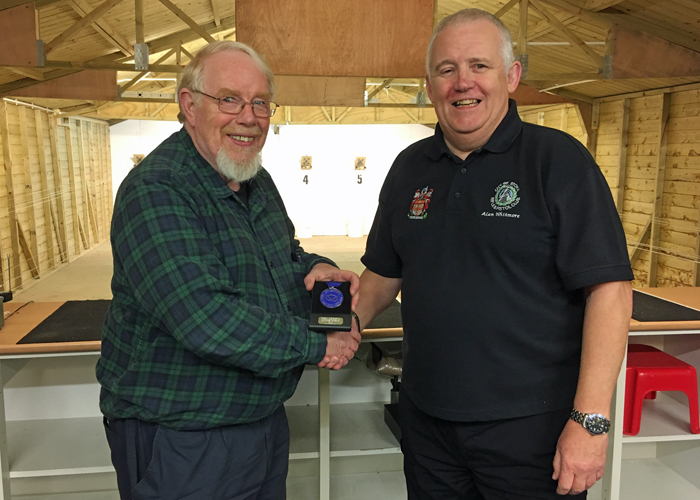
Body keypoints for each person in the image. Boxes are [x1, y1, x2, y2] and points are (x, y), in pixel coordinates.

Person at [356, 8, 633, 499]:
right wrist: (336, 325)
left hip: (534, 430)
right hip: (427, 423)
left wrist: (589, 421)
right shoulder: (408, 168)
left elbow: (609, 292)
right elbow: (382, 275)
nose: (463, 82)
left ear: (512, 75)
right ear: (430, 82)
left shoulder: (559, 161)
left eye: (479, 65)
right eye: (447, 69)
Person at [96, 40, 361, 500]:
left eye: (260, 102)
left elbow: (285, 252)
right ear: (189, 105)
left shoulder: (253, 179)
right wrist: (320, 342)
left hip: (259, 422)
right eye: (229, 99)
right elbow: (206, 319)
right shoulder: (157, 191)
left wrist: (318, 268)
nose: (249, 116)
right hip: (184, 436)